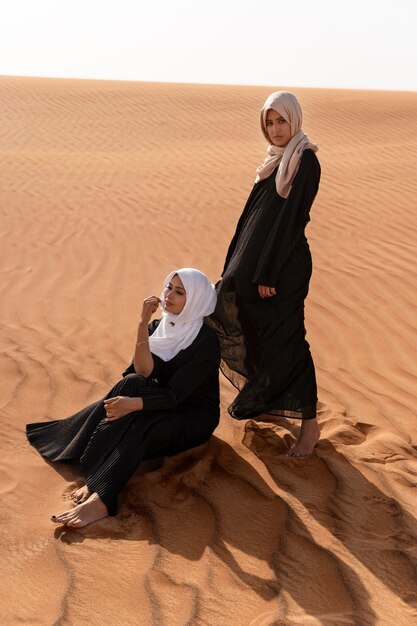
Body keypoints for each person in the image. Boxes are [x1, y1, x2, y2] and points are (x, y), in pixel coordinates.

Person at [26, 268, 220, 527]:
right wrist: (142, 326)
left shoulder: (205, 341)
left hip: (192, 416)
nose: (169, 295)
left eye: (180, 292)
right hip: (157, 402)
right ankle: (96, 471)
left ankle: (102, 498)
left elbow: (176, 395)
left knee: (140, 420)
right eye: (168, 288)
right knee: (130, 383)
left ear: (195, 300)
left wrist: (134, 405)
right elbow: (141, 373)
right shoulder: (158, 327)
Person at [209, 91, 321, 457]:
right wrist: (234, 267)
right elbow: (252, 222)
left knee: (287, 340)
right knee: (254, 331)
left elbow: (289, 223)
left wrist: (267, 274)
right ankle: (272, 400)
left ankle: (310, 427)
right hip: (254, 269)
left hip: (281, 271)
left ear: (295, 120)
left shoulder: (305, 162)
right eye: (269, 122)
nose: (275, 129)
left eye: (281, 121)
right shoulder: (273, 163)